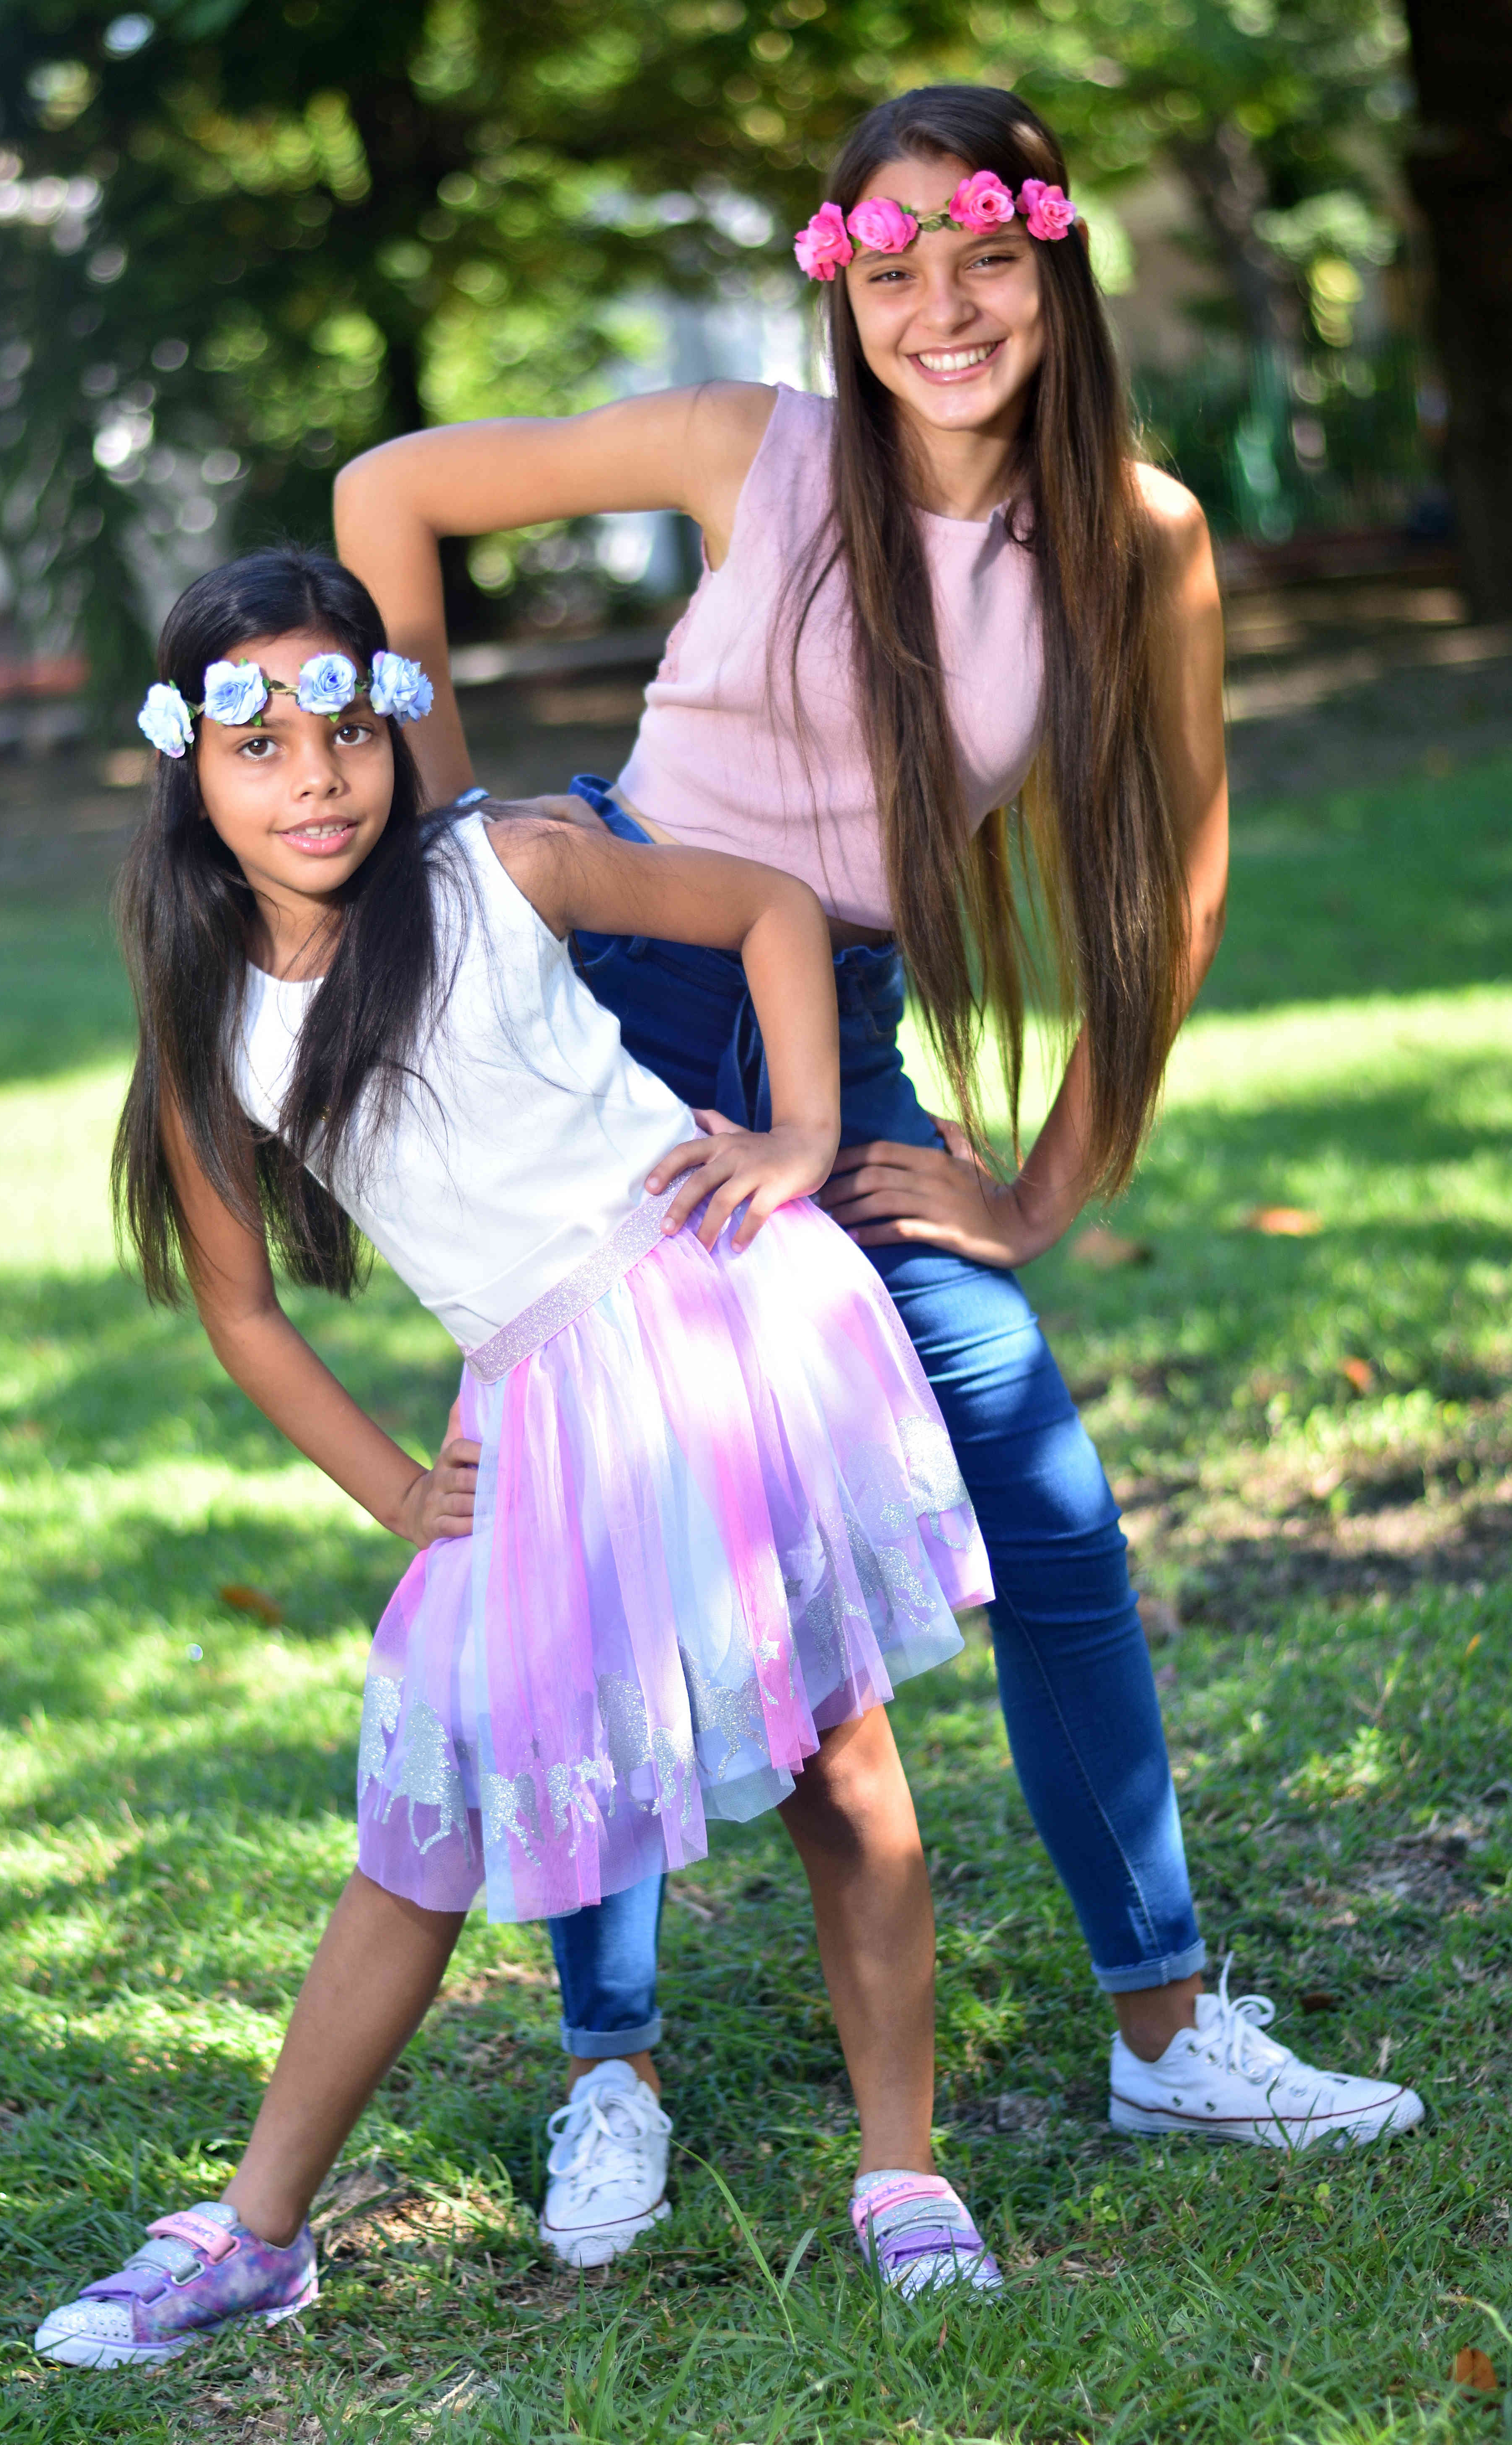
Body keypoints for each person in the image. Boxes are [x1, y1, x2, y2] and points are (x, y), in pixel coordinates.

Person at [333, 82, 1423, 2266]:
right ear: (842, 285)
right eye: (894, 263)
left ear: (1053, 270)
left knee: (1048, 1505)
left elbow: (1178, 882)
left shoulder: (1137, 535)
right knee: (606, 1531)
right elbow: (390, 493)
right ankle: (609, 2064)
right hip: (611, 1017)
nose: (943, 306)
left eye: (987, 256)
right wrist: (450, 858)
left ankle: (1163, 2025)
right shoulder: (751, 446)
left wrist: (1042, 1184)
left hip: (841, 1040)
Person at [33, 542, 1008, 2370]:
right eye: (260, 746)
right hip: (536, 1407)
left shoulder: (504, 865)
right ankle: (254, 2233)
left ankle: (903, 2173)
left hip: (713, 1325)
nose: (315, 778)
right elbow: (243, 1308)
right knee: (426, 1807)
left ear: (396, 729)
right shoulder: (210, 1023)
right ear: (191, 771)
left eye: (346, 727)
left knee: (837, 1753)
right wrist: (399, 1492)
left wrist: (800, 1133)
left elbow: (770, 908)